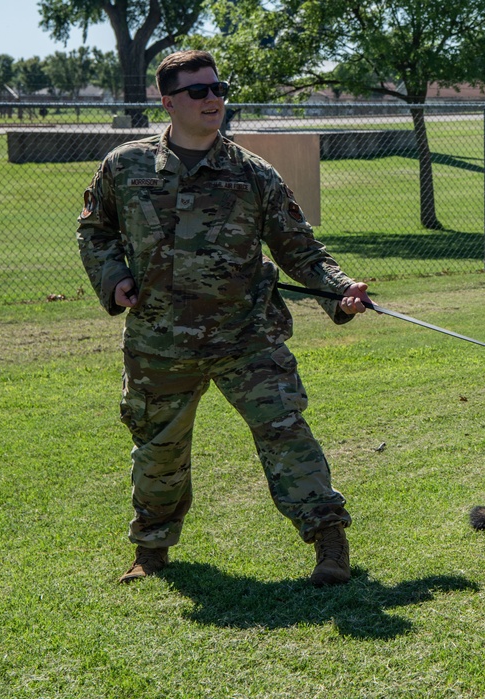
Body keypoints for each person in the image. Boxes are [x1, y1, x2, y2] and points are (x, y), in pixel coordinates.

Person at [76, 50, 371, 587]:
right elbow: (95, 231)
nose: (213, 99)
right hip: (159, 342)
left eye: (219, 88)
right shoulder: (126, 166)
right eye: (198, 91)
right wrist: (113, 278)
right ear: (167, 102)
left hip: (247, 336)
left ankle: (330, 541)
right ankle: (152, 550)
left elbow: (300, 249)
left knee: (287, 435)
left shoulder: (253, 174)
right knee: (159, 449)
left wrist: (339, 290)